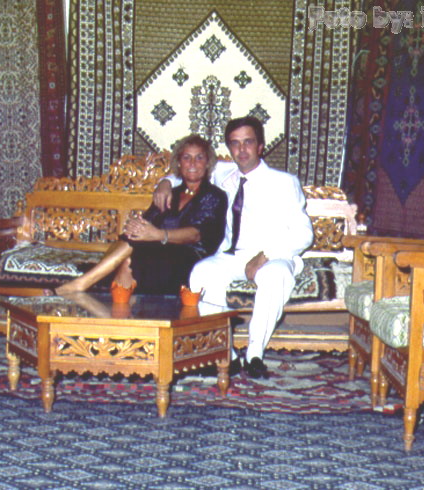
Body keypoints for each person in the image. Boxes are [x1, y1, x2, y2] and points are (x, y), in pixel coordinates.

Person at [154, 117, 313, 378]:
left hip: (271, 255)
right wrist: (164, 182)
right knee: (201, 272)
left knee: (276, 275)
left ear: (260, 146)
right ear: (229, 148)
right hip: (231, 256)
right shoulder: (222, 174)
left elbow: (304, 234)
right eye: (235, 144)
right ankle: (225, 353)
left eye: (248, 142)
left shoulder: (284, 182)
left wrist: (265, 255)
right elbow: (187, 170)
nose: (242, 150)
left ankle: (254, 355)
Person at [49, 134, 227, 296]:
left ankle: (85, 285)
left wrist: (159, 235)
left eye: (199, 158)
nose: (193, 163)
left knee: (133, 259)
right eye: (187, 157)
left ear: (207, 163)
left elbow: (197, 234)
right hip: (159, 251)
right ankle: (116, 300)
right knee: (132, 244)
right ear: (179, 163)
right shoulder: (169, 193)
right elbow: (146, 223)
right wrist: (137, 227)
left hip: (190, 258)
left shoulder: (215, 196)